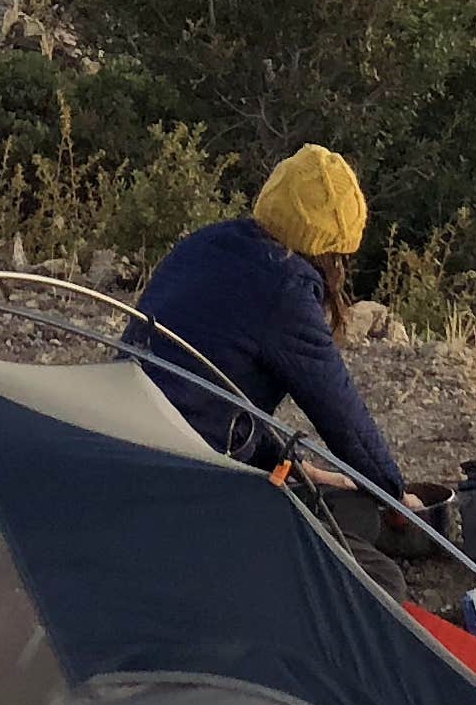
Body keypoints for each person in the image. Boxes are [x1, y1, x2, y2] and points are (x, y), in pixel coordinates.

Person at [122, 144, 409, 496]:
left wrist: (291, 464)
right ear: (331, 247)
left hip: (125, 428)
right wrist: (394, 496)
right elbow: (341, 415)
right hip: (180, 467)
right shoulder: (285, 288)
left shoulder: (205, 243)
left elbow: (211, 385)